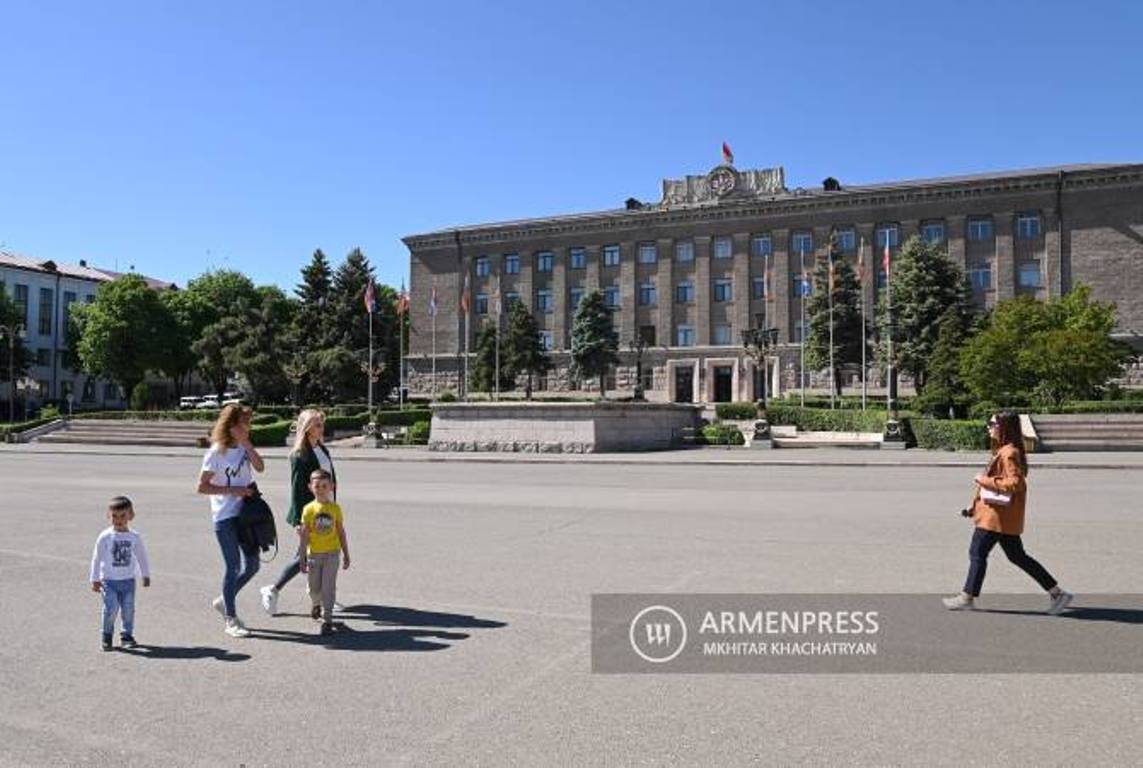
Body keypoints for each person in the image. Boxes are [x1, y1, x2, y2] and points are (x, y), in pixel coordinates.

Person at [943, 412, 1073, 614]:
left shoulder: (1008, 453)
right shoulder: (1006, 450)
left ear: (1004, 427)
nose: (989, 427)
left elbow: (1015, 484)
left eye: (993, 423)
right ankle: (1058, 593)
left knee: (977, 553)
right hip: (999, 516)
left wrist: (982, 479)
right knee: (1017, 557)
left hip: (995, 518)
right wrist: (973, 507)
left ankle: (967, 597)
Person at [259, 408, 338, 616]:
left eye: (322, 423)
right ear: (307, 428)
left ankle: (320, 596)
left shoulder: (321, 448)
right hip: (310, 513)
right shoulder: (300, 455)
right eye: (318, 424)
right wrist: (299, 521)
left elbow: (329, 478)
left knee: (319, 553)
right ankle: (273, 590)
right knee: (305, 556)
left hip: (326, 509)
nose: (322, 428)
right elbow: (296, 490)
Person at [197, 404, 265, 638]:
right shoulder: (217, 451)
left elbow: (260, 467)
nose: (248, 426)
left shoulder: (243, 448)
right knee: (233, 566)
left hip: (246, 515)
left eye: (249, 422)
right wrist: (233, 490)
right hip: (225, 517)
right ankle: (231, 619)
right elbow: (202, 486)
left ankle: (224, 600)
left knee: (253, 565)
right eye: (244, 422)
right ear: (231, 425)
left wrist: (247, 444)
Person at [90, 496, 151, 651]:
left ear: (131, 515)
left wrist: (145, 574)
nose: (118, 519)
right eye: (114, 516)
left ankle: (127, 636)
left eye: (123, 515)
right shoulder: (105, 536)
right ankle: (106, 635)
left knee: (128, 609)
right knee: (111, 608)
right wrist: (95, 579)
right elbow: (96, 558)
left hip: (128, 581)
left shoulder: (134, 537)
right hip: (109, 581)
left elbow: (142, 556)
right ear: (108, 516)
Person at [298, 469, 351, 636]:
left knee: (329, 588)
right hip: (314, 554)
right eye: (317, 486)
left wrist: (346, 553)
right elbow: (305, 535)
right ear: (310, 487)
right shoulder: (308, 509)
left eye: (324, 486)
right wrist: (302, 558)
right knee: (315, 588)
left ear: (331, 487)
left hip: (332, 554)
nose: (321, 489)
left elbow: (341, 531)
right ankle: (316, 604)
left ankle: (327, 619)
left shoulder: (335, 509)